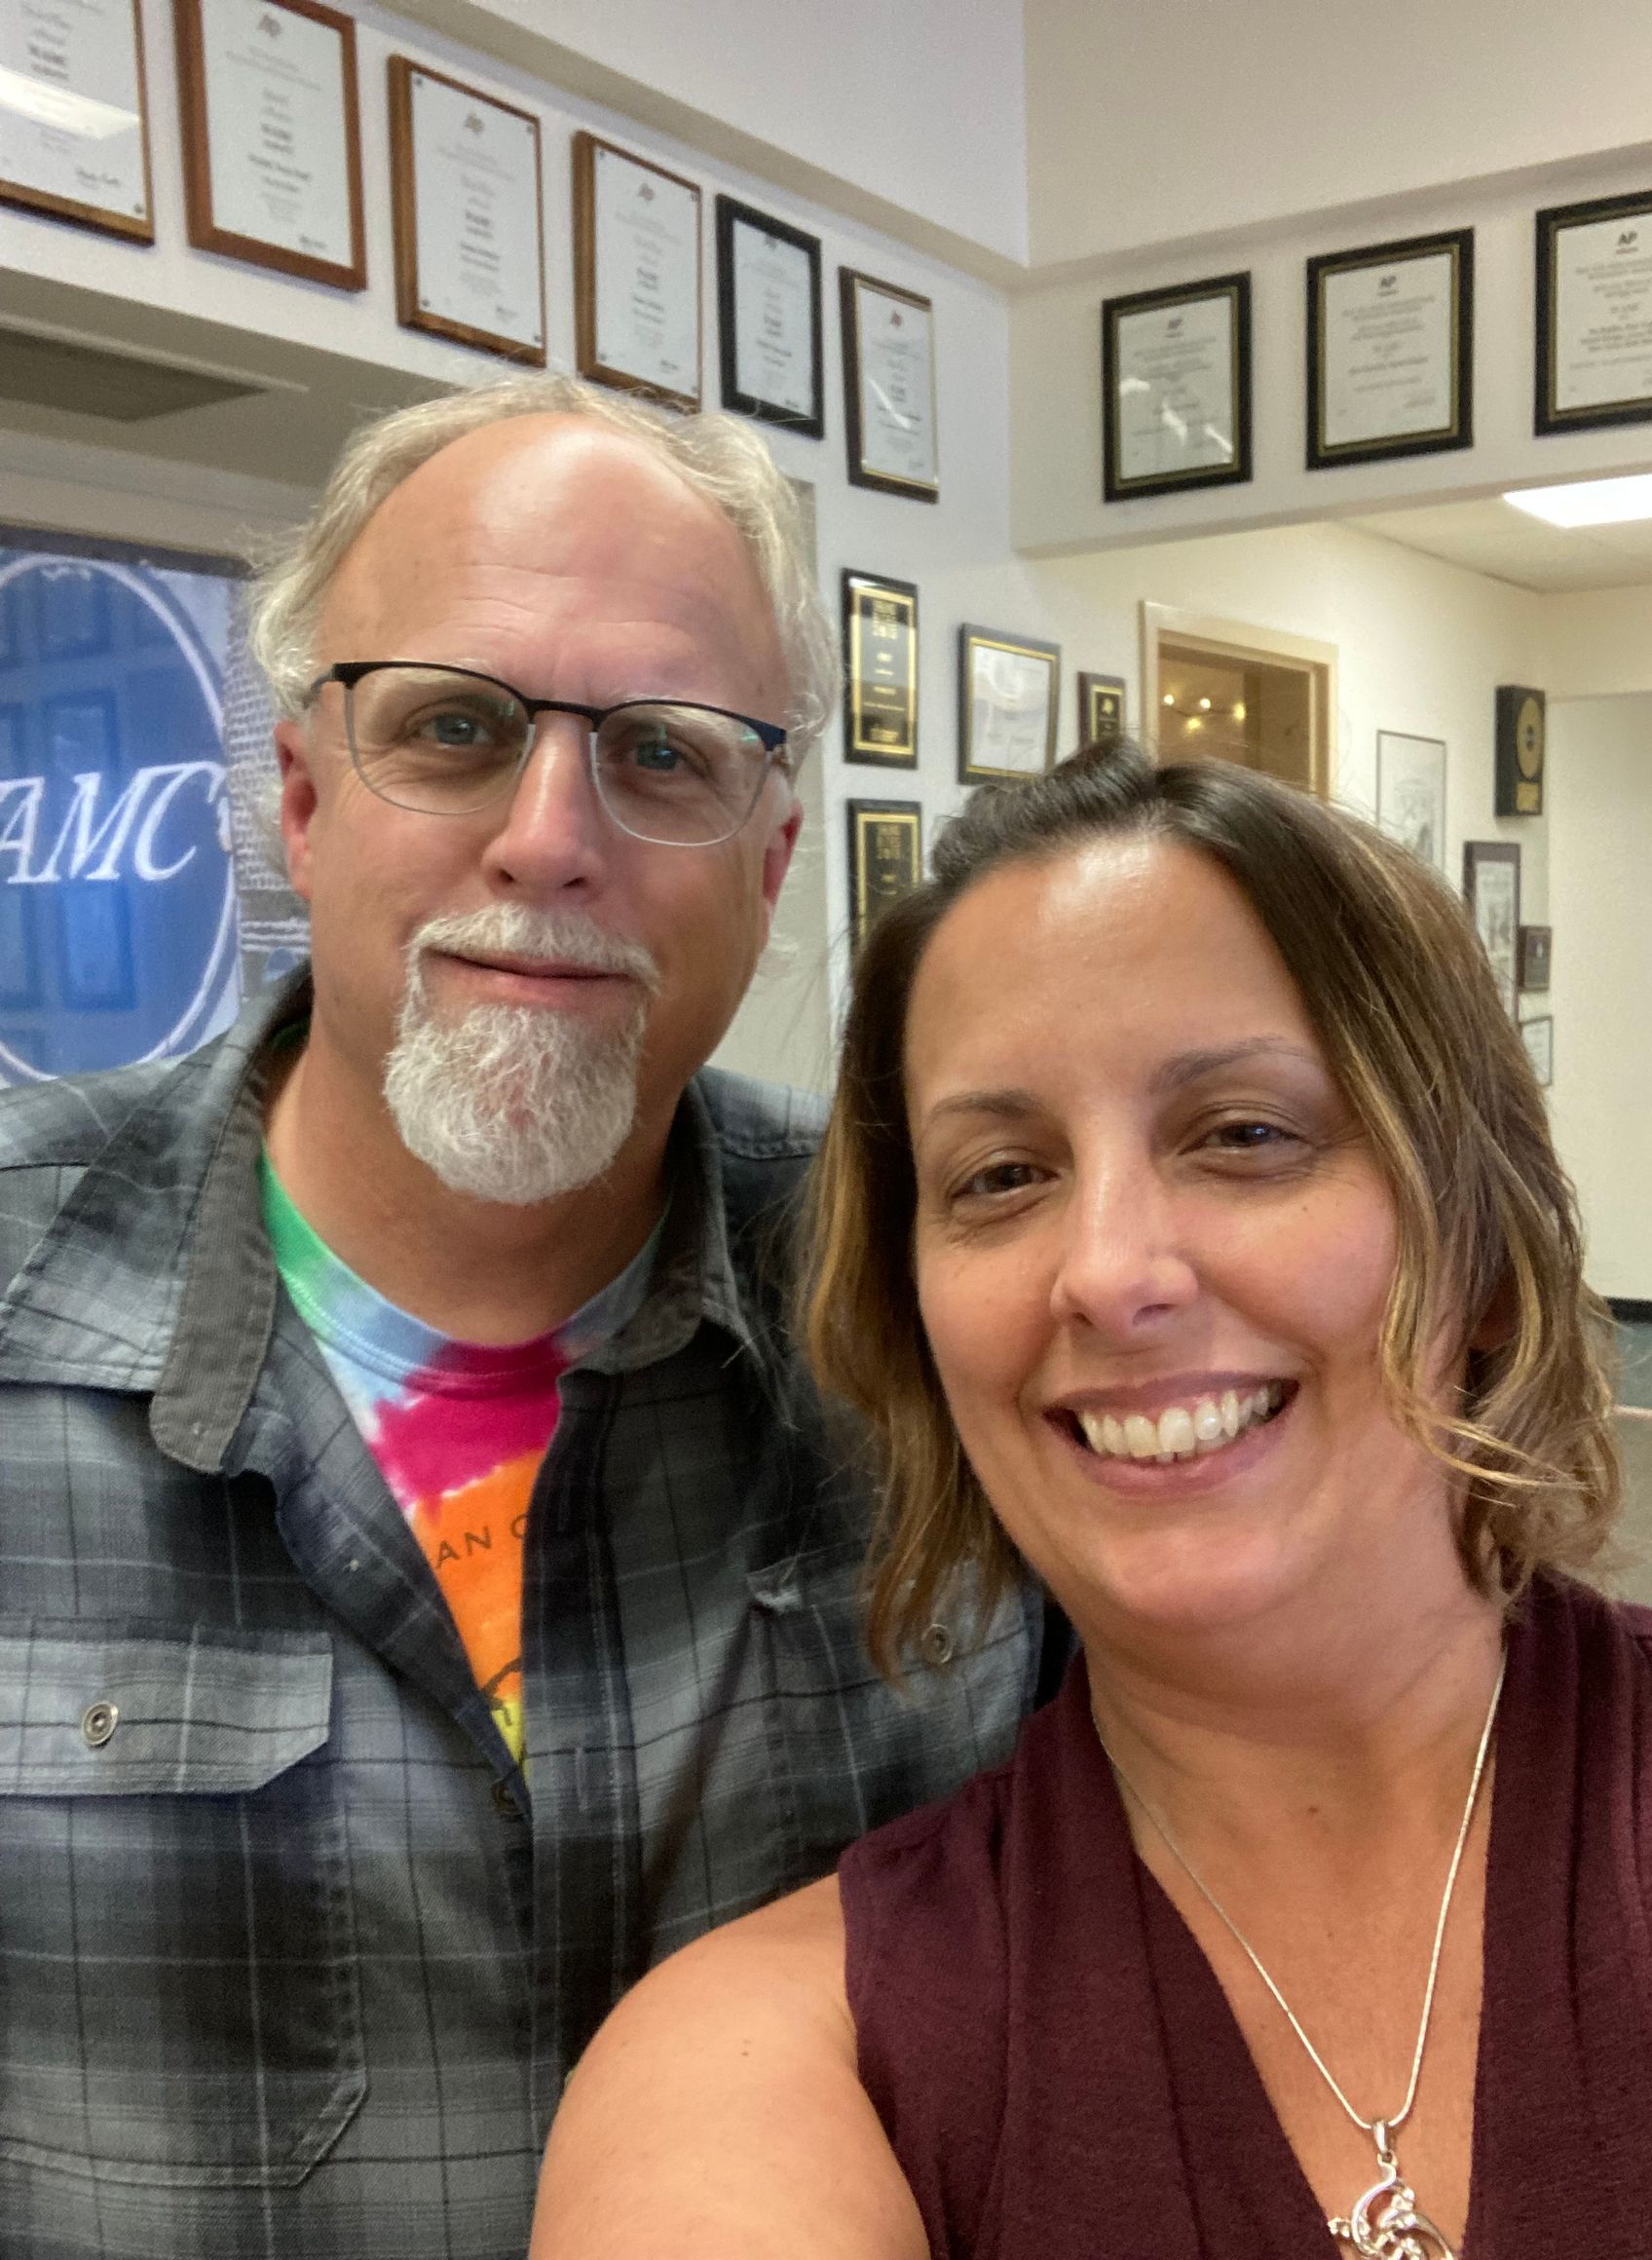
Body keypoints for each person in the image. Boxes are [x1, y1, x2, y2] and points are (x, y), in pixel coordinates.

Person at [0, 375, 1040, 2259]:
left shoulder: (939, 1312)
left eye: (661, 753)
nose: (551, 838)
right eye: (456, 729)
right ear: (302, 804)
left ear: (773, 859)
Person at [532, 739, 1652, 2260]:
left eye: (1246, 1135)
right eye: (1002, 1176)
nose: (1110, 1275)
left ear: (1474, 1249)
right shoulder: (792, 2057)